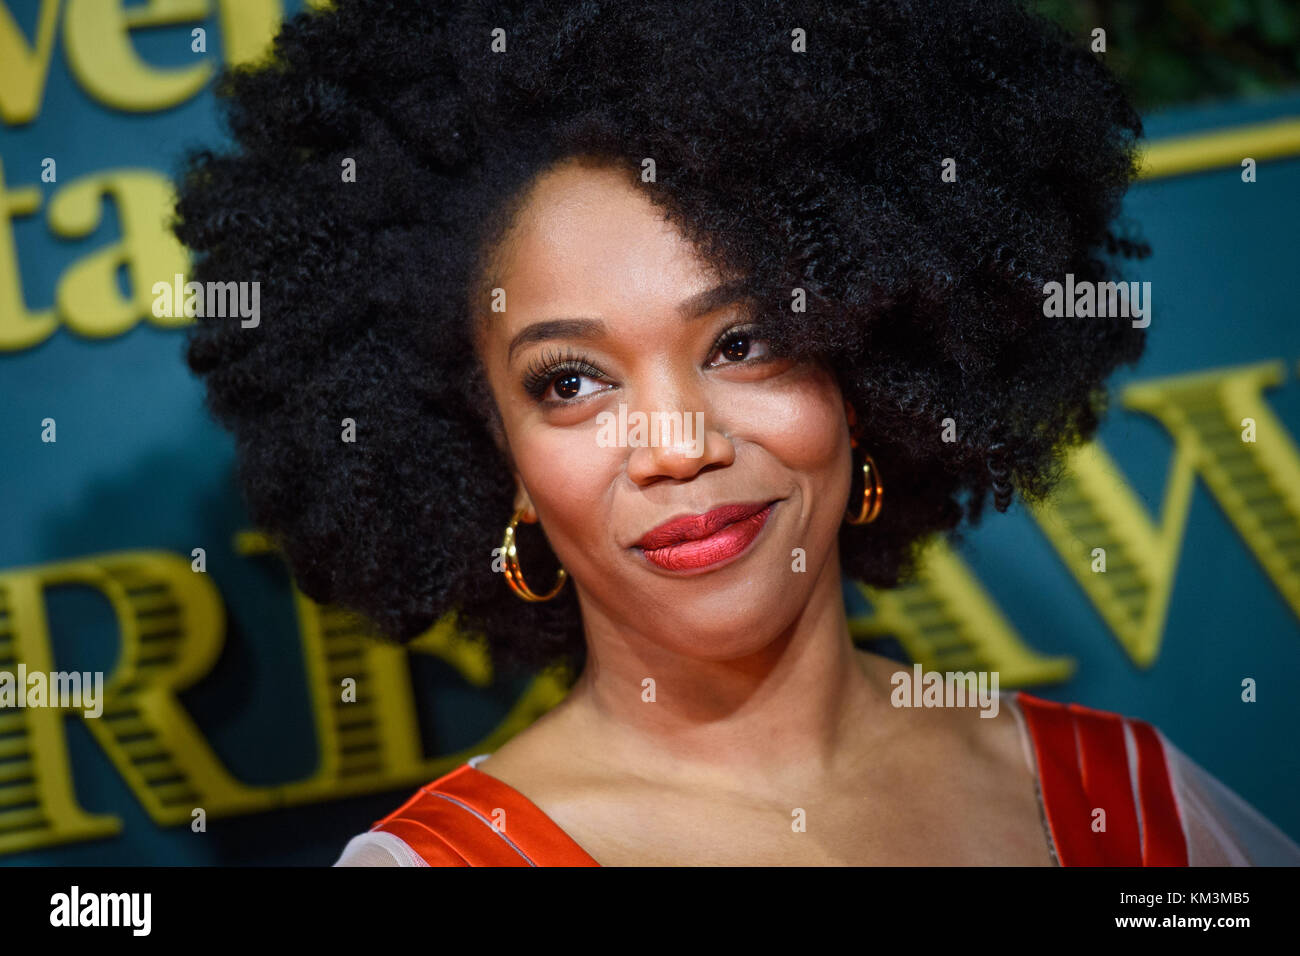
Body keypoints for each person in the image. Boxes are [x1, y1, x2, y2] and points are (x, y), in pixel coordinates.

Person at [172, 0, 1300, 865]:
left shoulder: (1128, 803)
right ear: (496, 457)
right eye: (570, 381)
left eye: (744, 341)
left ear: (864, 372)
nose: (677, 444)